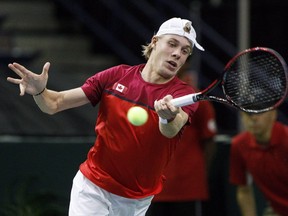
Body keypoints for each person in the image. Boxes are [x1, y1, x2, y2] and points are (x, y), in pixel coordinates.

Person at [5, 17, 205, 216]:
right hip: (94, 187)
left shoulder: (183, 95)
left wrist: (167, 116)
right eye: (172, 44)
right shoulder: (116, 76)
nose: (177, 54)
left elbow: (170, 130)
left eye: (185, 51)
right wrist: (40, 91)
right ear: (154, 42)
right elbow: (54, 104)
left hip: (137, 200)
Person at [146, 63, 217, 216]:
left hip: (187, 189)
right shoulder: (146, 96)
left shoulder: (197, 99)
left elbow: (209, 141)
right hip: (153, 187)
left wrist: (199, 176)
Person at [229, 110, 288, 216]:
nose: (253, 118)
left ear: (273, 114)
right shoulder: (238, 145)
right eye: (247, 113)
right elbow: (244, 191)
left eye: (259, 112)